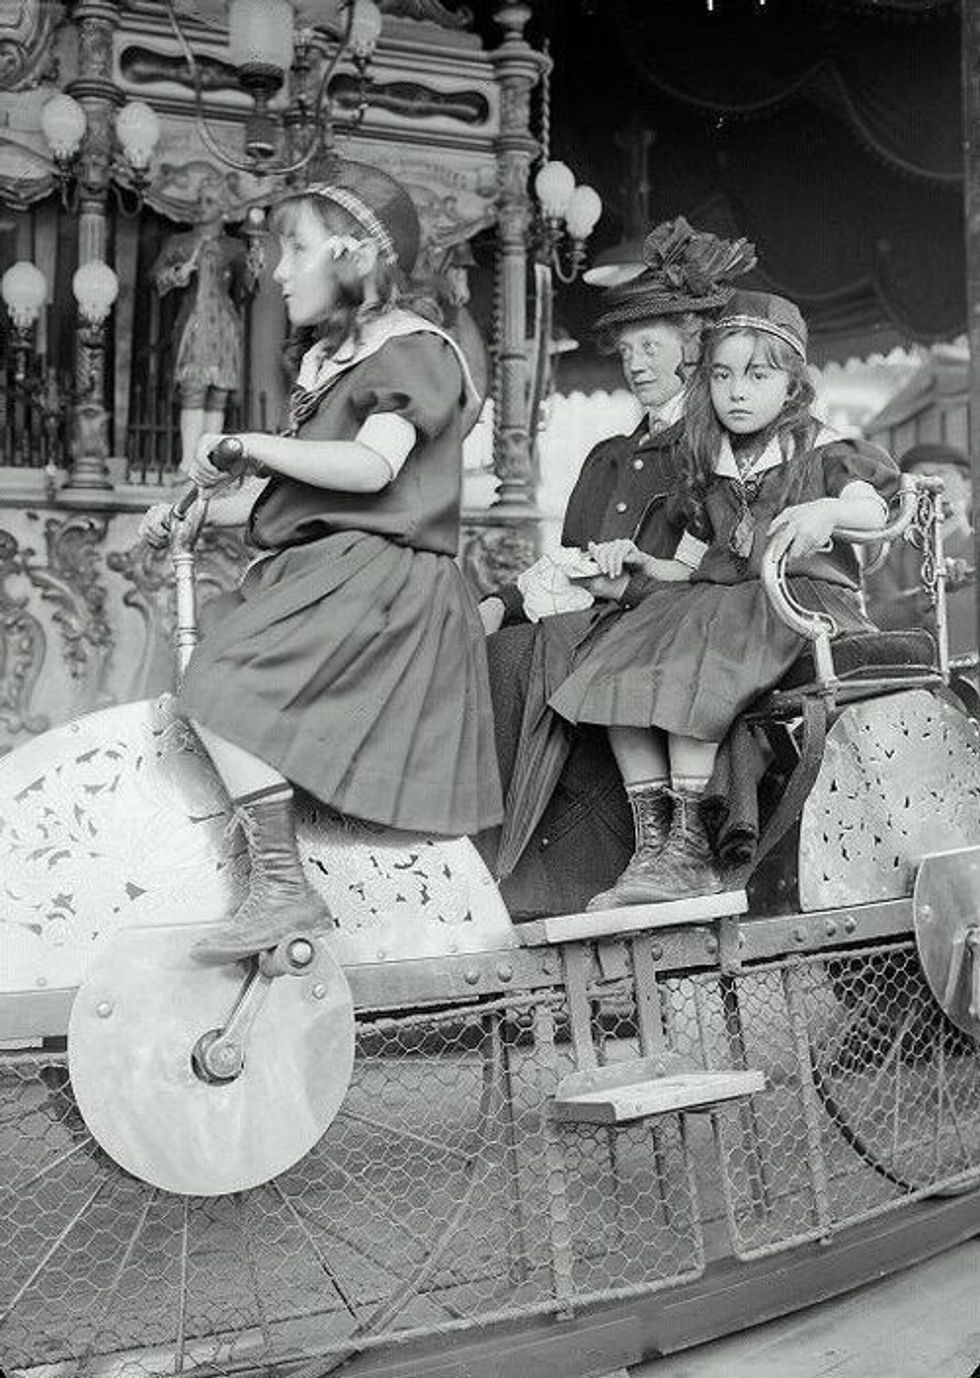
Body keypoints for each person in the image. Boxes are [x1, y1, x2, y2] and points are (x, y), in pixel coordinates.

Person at [139, 160, 501, 962]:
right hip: (335, 571)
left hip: (383, 583)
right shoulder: (329, 364)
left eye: (294, 249)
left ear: (354, 254)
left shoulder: (414, 352)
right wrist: (196, 510)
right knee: (212, 689)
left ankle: (282, 889)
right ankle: (279, 884)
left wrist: (247, 444)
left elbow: (372, 471)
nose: (276, 269)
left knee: (219, 686)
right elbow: (301, 497)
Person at [546, 289, 898, 907]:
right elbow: (686, 569)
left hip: (798, 598)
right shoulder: (710, 465)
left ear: (792, 385)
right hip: (721, 599)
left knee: (690, 660)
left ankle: (690, 846)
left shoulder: (822, 451)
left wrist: (829, 509)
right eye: (722, 375)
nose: (737, 391)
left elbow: (875, 507)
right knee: (613, 665)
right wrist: (634, 567)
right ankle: (654, 844)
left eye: (758, 375)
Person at [475, 219, 756, 918]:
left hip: (670, 621)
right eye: (627, 350)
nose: (635, 363)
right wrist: (503, 599)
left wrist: (638, 575)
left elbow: (714, 561)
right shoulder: (608, 455)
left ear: (692, 350)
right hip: (597, 614)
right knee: (497, 650)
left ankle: (574, 877)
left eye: (651, 347)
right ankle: (505, 878)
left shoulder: (719, 446)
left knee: (532, 658)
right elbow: (570, 560)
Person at [151, 177, 251, 477]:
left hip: (224, 325)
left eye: (208, 201)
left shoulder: (234, 246)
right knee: (193, 389)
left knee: (218, 393)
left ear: (222, 208)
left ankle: (207, 464)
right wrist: (177, 272)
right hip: (193, 322)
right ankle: (186, 464)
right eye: (199, 200)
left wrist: (254, 268)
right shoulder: (179, 242)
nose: (200, 207)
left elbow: (247, 289)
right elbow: (155, 276)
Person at [865, 441, 976, 659]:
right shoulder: (888, 557)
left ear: (968, 486)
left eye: (941, 473)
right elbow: (874, 622)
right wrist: (922, 597)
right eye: (919, 478)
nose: (931, 484)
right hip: (921, 684)